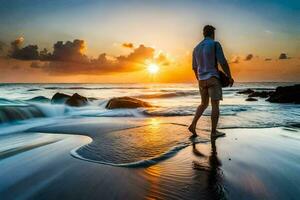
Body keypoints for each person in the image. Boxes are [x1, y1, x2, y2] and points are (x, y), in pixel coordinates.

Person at [188, 25, 234, 138]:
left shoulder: (196, 48)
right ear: (213, 34)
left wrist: (199, 79)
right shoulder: (214, 44)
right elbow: (222, 62)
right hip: (213, 78)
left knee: (203, 104)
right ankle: (213, 132)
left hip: (201, 80)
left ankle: (193, 125)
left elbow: (194, 67)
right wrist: (229, 76)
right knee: (215, 105)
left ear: (203, 34)